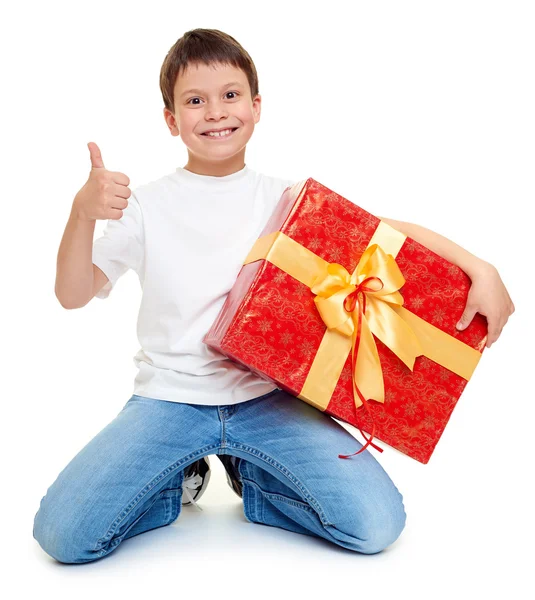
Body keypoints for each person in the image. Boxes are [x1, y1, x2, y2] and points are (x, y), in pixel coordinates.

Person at [32, 28, 515, 564]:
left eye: (231, 95)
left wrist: (481, 266)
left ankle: (254, 482)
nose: (215, 112)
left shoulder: (287, 201)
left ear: (257, 106)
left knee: (375, 526)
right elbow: (72, 295)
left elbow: (386, 234)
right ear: (171, 119)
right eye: (195, 101)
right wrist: (81, 213)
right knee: (66, 537)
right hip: (170, 400)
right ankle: (177, 482)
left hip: (269, 401)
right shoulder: (145, 206)